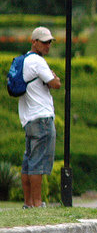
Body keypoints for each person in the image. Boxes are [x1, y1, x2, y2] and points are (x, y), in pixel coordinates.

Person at [19, 26, 61, 208]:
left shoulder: (25, 61)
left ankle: (28, 202)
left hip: (28, 118)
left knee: (28, 160)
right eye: (44, 42)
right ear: (34, 42)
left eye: (49, 42)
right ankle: (36, 203)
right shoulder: (37, 61)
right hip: (42, 117)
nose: (47, 45)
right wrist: (54, 78)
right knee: (37, 162)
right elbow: (56, 83)